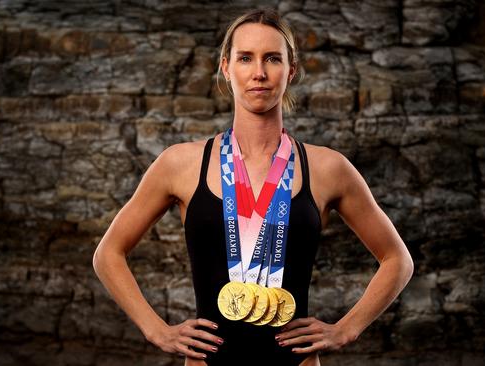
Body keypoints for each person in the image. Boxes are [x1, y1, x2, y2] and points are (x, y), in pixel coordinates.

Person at [92, 8, 414, 366]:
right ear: (226, 67)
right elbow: (108, 253)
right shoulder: (180, 164)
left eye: (272, 58)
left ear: (290, 70)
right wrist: (156, 330)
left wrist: (345, 329)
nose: (259, 73)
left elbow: (397, 259)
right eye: (246, 58)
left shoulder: (328, 168)